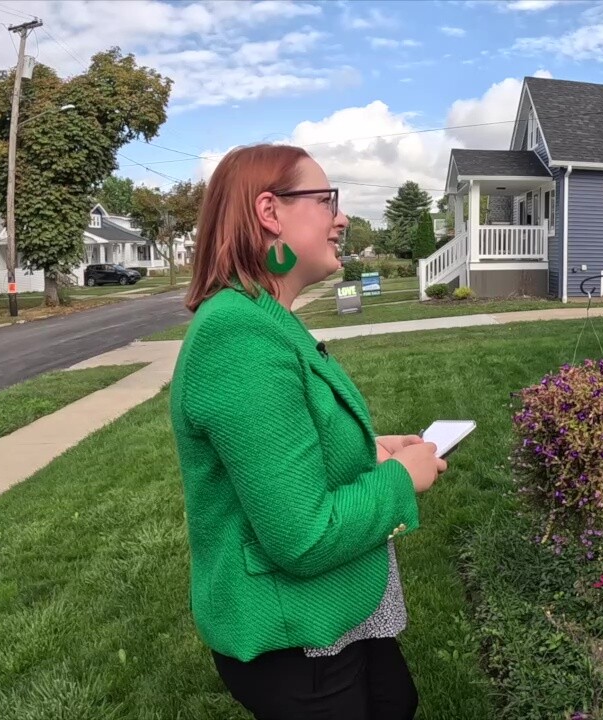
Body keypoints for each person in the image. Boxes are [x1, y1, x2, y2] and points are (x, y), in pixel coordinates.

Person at [169, 144, 446, 719]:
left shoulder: (265, 319)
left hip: (337, 616)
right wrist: (400, 481)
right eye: (325, 201)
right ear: (270, 213)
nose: (340, 218)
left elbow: (285, 447)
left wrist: (372, 450)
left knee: (398, 701)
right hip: (295, 637)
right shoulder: (238, 339)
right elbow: (303, 536)